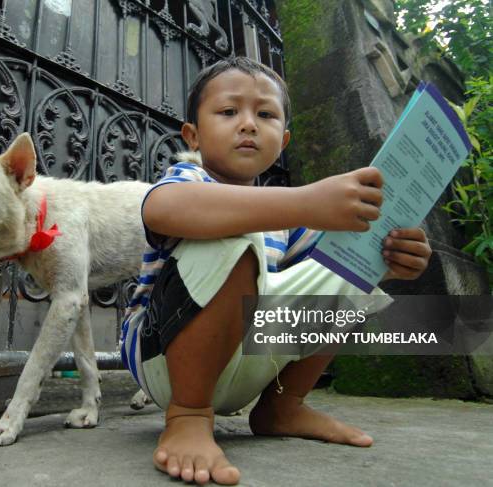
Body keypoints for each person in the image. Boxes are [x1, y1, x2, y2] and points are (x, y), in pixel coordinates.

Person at [120, 56, 432, 485]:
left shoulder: (291, 220)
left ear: (282, 140)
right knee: (232, 229)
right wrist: (306, 200)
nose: (248, 124)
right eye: (229, 112)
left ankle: (283, 408)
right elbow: (162, 209)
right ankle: (189, 416)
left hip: (246, 359)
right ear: (192, 135)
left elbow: (322, 282)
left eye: (264, 115)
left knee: (348, 263)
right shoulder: (188, 178)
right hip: (166, 362)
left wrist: (389, 261)